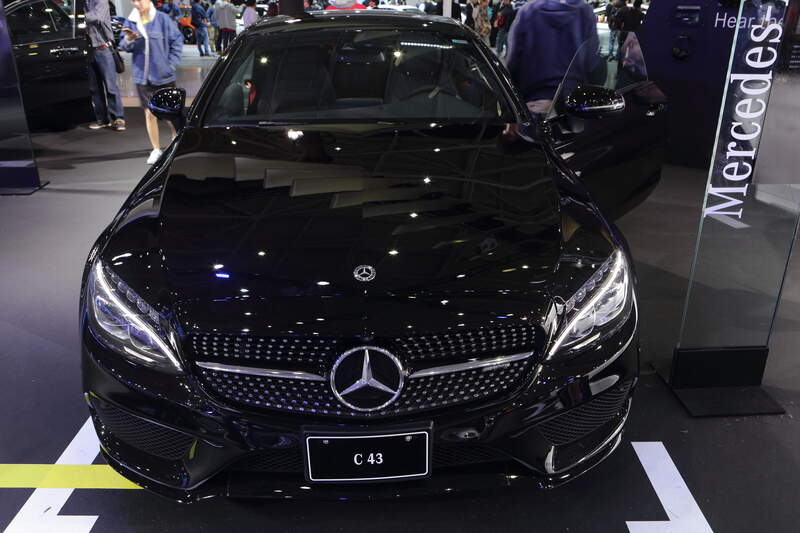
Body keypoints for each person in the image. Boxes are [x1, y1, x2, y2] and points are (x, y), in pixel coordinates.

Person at [506, 0, 596, 119]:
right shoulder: (585, 11)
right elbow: (592, 62)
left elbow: (513, 61)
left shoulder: (528, 11)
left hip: (534, 102)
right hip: (572, 103)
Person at [119, 0, 184, 164]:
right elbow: (123, 45)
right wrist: (129, 39)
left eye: (139, 0)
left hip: (163, 76)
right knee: (149, 113)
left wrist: (170, 64)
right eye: (133, 0)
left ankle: (176, 140)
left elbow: (177, 40)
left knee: (170, 114)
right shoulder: (131, 21)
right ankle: (156, 149)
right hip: (143, 76)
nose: (136, 4)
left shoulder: (162, 19)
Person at [85, 0, 125, 131]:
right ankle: (102, 119)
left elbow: (98, 17)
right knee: (94, 88)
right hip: (89, 50)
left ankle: (118, 118)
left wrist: (79, 17)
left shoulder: (101, 1)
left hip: (103, 49)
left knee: (110, 87)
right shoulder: (82, 3)